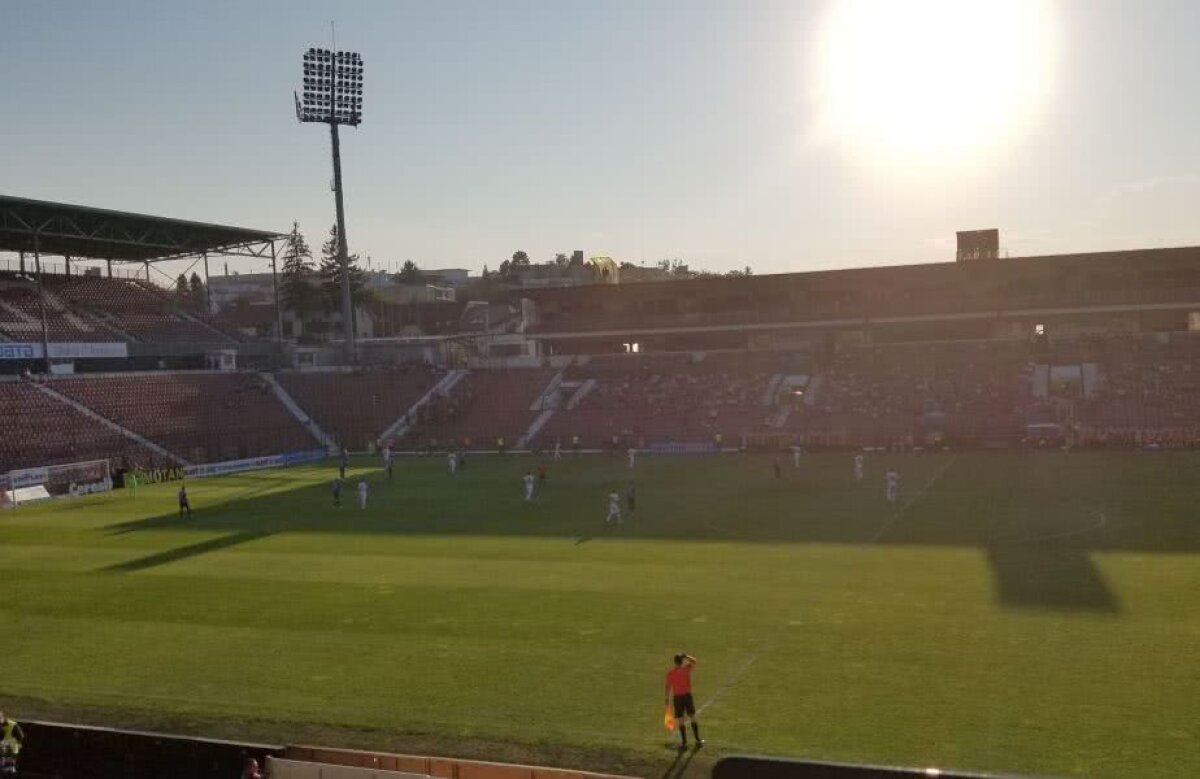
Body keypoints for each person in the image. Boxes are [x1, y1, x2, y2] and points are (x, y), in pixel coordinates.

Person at [664, 654, 703, 750]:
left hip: (677, 698)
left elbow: (668, 687)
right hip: (687, 697)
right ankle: (697, 740)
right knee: (692, 716)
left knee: (680, 719)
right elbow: (694, 661)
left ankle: (684, 742)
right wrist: (686, 656)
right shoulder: (686, 669)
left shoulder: (670, 673)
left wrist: (666, 698)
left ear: (674, 661)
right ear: (682, 662)